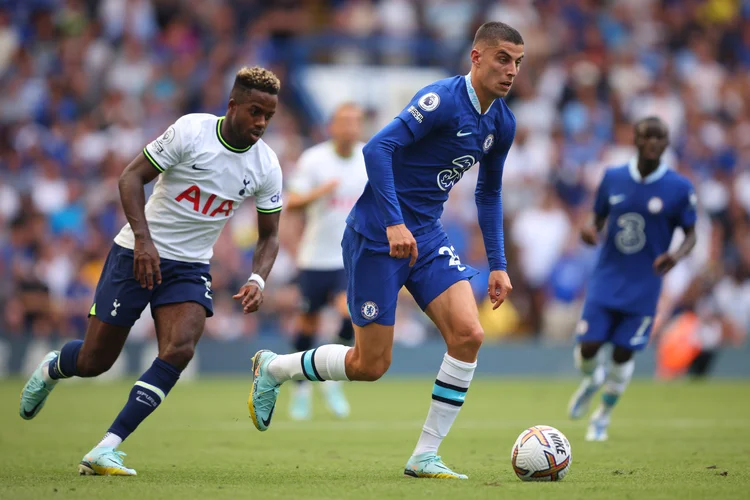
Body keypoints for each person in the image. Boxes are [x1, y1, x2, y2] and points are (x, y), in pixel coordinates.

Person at [248, 22, 524, 480]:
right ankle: (276, 368)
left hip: (427, 236)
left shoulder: (502, 123)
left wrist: (499, 264)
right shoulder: (441, 100)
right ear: (476, 58)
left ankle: (425, 455)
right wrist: (394, 221)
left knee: (469, 334)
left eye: (517, 62)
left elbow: (489, 194)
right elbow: (377, 149)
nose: (511, 70)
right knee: (369, 364)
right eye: (502, 59)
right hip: (377, 235)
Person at [19, 67, 284, 476]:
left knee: (180, 348)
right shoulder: (191, 132)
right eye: (254, 112)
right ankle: (55, 366)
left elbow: (270, 235)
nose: (262, 123)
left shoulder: (266, 165)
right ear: (232, 106)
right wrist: (143, 240)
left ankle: (107, 447)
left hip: (190, 266)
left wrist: (257, 278)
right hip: (135, 253)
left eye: (269, 115)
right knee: (94, 361)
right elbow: (130, 178)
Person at [567, 116, 698, 441]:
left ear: (666, 144)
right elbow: (596, 218)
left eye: (659, 137)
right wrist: (589, 230)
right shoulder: (612, 178)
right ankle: (592, 379)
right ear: (635, 140)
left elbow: (691, 234)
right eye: (646, 136)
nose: (653, 142)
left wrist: (677, 256)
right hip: (607, 277)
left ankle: (602, 417)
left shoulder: (679, 188)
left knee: (624, 354)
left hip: (645, 284)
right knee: (588, 347)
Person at [285, 103, 369, 420]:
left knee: (350, 314)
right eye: (344, 121)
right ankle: (302, 388)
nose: (350, 127)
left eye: (355, 122)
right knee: (308, 323)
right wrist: (321, 191)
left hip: (350, 256)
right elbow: (291, 202)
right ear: (331, 126)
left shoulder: (368, 158)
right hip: (314, 257)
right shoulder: (314, 159)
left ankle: (331, 378)